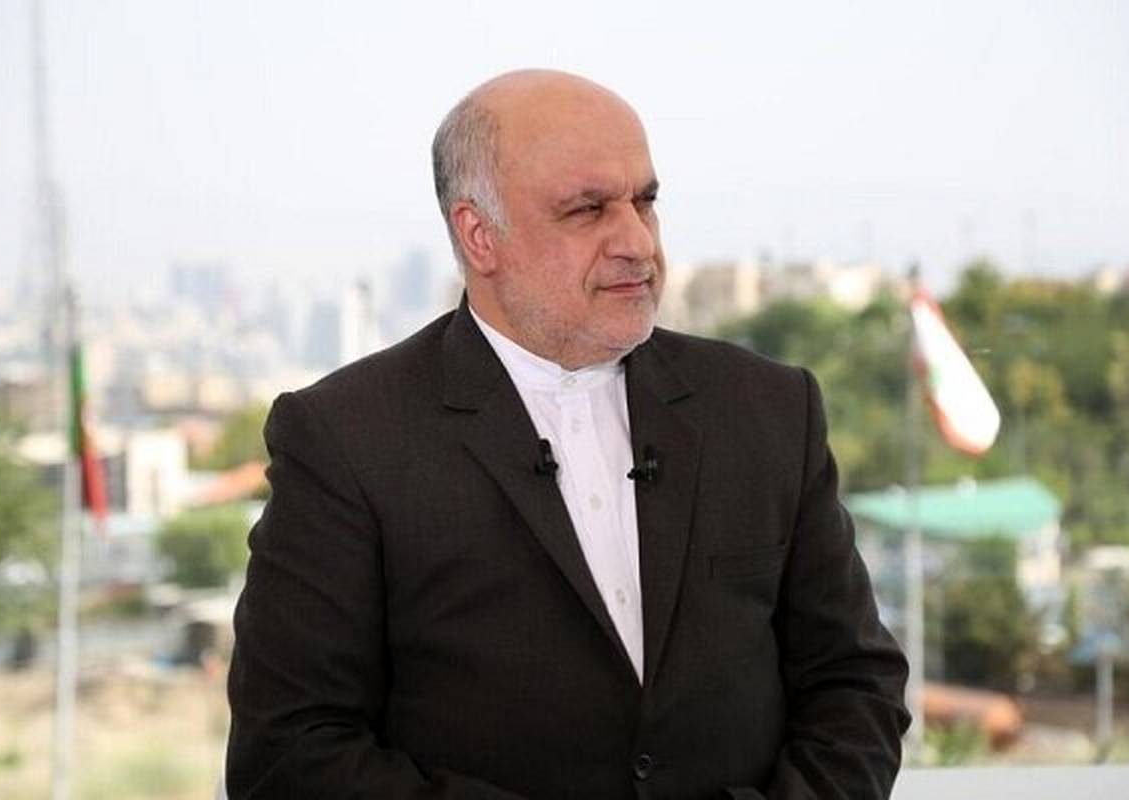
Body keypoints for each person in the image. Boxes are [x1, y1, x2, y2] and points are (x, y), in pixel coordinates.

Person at [225, 69, 909, 799]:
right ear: (480, 236)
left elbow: (854, 684)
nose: (637, 242)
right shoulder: (346, 439)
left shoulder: (768, 408)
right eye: (588, 210)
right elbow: (289, 755)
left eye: (645, 201)